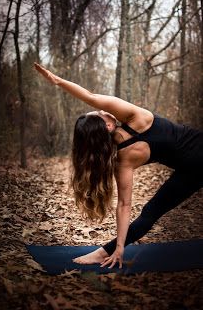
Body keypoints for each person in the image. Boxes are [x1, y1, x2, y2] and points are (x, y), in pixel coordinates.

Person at [34, 62, 203, 269]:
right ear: (107, 124)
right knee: (151, 210)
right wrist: (57, 80)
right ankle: (106, 251)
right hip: (194, 166)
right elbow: (91, 96)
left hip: (192, 170)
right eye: (98, 113)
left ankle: (105, 251)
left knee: (151, 212)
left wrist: (121, 247)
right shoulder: (136, 118)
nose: (100, 109)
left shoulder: (122, 160)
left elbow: (124, 205)